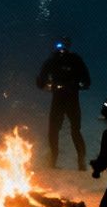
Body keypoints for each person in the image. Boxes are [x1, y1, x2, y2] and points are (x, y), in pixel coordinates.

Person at [35, 37, 92, 170]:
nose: (62, 48)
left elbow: (87, 80)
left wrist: (45, 85)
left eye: (64, 45)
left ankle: (78, 161)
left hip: (68, 98)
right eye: (60, 45)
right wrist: (45, 85)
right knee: (59, 130)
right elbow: (41, 80)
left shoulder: (71, 60)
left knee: (70, 130)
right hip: (64, 98)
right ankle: (55, 160)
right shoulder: (55, 61)